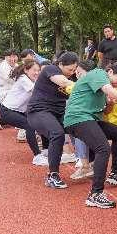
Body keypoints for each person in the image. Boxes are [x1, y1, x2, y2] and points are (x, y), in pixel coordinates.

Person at [63, 62, 117, 208]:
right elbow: (109, 89)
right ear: (110, 72)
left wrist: (110, 103)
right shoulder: (99, 74)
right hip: (78, 118)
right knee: (103, 148)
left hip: (89, 119)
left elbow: (106, 112)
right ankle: (95, 194)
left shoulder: (105, 90)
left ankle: (116, 173)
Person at [26, 51, 79, 189]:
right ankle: (52, 175)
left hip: (58, 113)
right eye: (69, 69)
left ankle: (88, 164)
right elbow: (62, 81)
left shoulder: (72, 79)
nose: (71, 72)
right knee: (57, 133)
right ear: (60, 64)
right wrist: (80, 87)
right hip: (38, 111)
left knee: (82, 126)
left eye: (74, 70)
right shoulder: (51, 69)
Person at [0, 60, 48, 160]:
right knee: (29, 126)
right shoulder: (23, 79)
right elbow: (37, 91)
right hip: (8, 111)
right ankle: (37, 156)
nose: (37, 73)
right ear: (26, 70)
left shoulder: (32, 80)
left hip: (19, 111)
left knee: (40, 123)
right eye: (34, 70)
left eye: (39, 70)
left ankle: (45, 150)